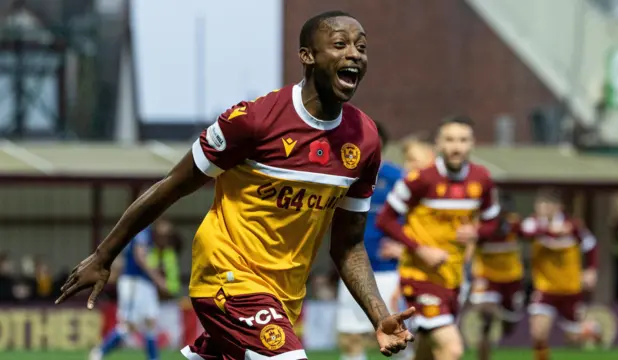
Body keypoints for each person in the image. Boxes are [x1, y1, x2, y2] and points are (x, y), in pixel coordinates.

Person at [56, 10, 414, 360]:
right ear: (307, 55)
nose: (353, 53)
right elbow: (173, 185)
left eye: (361, 47)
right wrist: (104, 256)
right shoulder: (254, 121)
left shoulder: (364, 139)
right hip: (226, 276)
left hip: (284, 296)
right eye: (340, 44)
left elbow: (349, 245)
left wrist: (379, 315)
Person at [376, 116, 500, 360]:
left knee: (428, 351)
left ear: (472, 143)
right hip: (420, 276)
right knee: (452, 348)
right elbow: (385, 219)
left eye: (463, 140)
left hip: (454, 277)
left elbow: (492, 222)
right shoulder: (421, 179)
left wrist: (477, 232)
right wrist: (420, 249)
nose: (457, 147)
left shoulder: (481, 179)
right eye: (450, 140)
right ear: (439, 145)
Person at [336, 120, 404, 360]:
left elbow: (421, 219)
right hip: (351, 271)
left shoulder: (398, 178)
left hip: (389, 271)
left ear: (380, 144)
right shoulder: (342, 177)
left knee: (398, 338)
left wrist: (405, 249)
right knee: (350, 337)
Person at [522, 188, 599, 360]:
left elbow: (591, 245)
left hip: (570, 289)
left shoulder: (574, 226)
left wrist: (591, 270)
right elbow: (526, 232)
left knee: (572, 339)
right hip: (545, 288)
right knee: (538, 334)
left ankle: (591, 329)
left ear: (558, 207)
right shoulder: (533, 223)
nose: (543, 208)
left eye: (548, 204)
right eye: (540, 204)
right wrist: (551, 232)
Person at [89, 227, 167, 360]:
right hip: (135, 283)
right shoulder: (141, 230)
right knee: (129, 325)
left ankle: (154, 358)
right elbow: (140, 257)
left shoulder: (144, 230)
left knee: (150, 321)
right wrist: (158, 278)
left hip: (145, 283)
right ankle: (100, 351)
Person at [467, 193, 524, 360]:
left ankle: (507, 321)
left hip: (511, 278)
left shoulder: (515, 224)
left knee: (509, 326)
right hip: (486, 276)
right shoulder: (478, 226)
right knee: (486, 317)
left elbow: (532, 233)